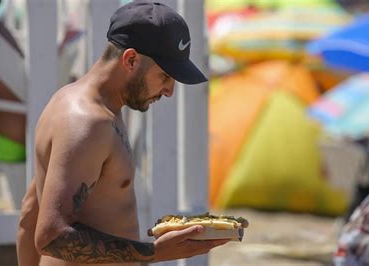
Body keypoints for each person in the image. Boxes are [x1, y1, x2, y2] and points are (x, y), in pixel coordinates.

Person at [16, 2, 229, 265]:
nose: (169, 91)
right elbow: (51, 236)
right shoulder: (87, 122)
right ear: (130, 60)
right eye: (164, 76)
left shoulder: (74, 104)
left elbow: (30, 212)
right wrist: (155, 252)